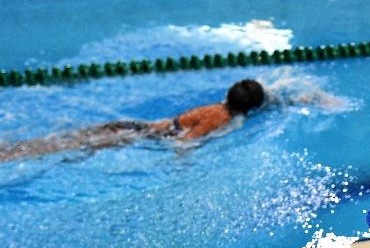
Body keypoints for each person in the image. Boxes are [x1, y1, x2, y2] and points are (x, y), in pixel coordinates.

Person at [0, 79, 265, 162]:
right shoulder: (222, 119)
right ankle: (10, 154)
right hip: (147, 137)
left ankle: (12, 147)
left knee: (75, 138)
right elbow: (185, 142)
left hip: (142, 126)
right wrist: (181, 164)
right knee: (71, 146)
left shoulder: (216, 106)